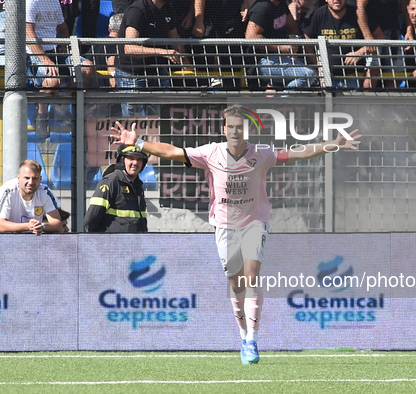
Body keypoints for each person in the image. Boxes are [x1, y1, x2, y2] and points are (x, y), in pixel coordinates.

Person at [109, 105, 361, 364]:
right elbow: (172, 152)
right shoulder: (210, 153)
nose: (235, 131)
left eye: (239, 127)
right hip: (224, 226)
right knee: (236, 284)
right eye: (230, 127)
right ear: (224, 129)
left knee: (251, 274)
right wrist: (139, 142)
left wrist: (334, 144)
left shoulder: (261, 153)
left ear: (245, 130)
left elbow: (297, 153)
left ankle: (252, 339)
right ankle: (243, 335)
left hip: (255, 223)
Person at [26, 0, 95, 139]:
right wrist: (46, 61)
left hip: (54, 52)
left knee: (87, 68)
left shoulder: (54, 2)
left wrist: (62, 45)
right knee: (52, 80)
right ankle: (41, 114)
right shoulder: (30, 2)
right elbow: (29, 34)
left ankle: (62, 107)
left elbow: (62, 28)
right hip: (32, 55)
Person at [114, 0, 187, 116]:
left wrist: (187, 66)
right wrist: (163, 52)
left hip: (157, 72)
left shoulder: (168, 8)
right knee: (134, 121)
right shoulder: (137, 10)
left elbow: (175, 38)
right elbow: (129, 48)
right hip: (132, 74)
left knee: (160, 118)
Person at [304, 0, 382, 89]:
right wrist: (318, 65)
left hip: (354, 76)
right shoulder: (319, 14)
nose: (336, 0)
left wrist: (359, 53)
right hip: (327, 78)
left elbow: (380, 37)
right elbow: (306, 40)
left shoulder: (356, 14)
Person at [245, 0, 317, 90]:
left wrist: (293, 52)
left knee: (314, 70)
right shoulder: (262, 7)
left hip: (283, 58)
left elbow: (293, 29)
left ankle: (284, 98)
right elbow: (251, 36)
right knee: (308, 75)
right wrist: (281, 47)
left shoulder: (281, 5)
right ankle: (284, 102)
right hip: (264, 61)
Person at [0, 160, 63, 234]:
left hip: (24, 239)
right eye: (27, 178)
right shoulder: (8, 190)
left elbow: (58, 224)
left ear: (40, 179)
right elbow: (1, 225)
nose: (31, 182)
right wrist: (28, 226)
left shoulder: (45, 191)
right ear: (18, 178)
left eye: (35, 178)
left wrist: (42, 227)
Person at [84, 145, 149, 232]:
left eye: (139, 159)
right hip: (112, 244)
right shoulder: (110, 182)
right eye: (131, 158)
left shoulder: (138, 186)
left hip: (135, 243)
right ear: (122, 160)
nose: (135, 163)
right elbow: (91, 220)